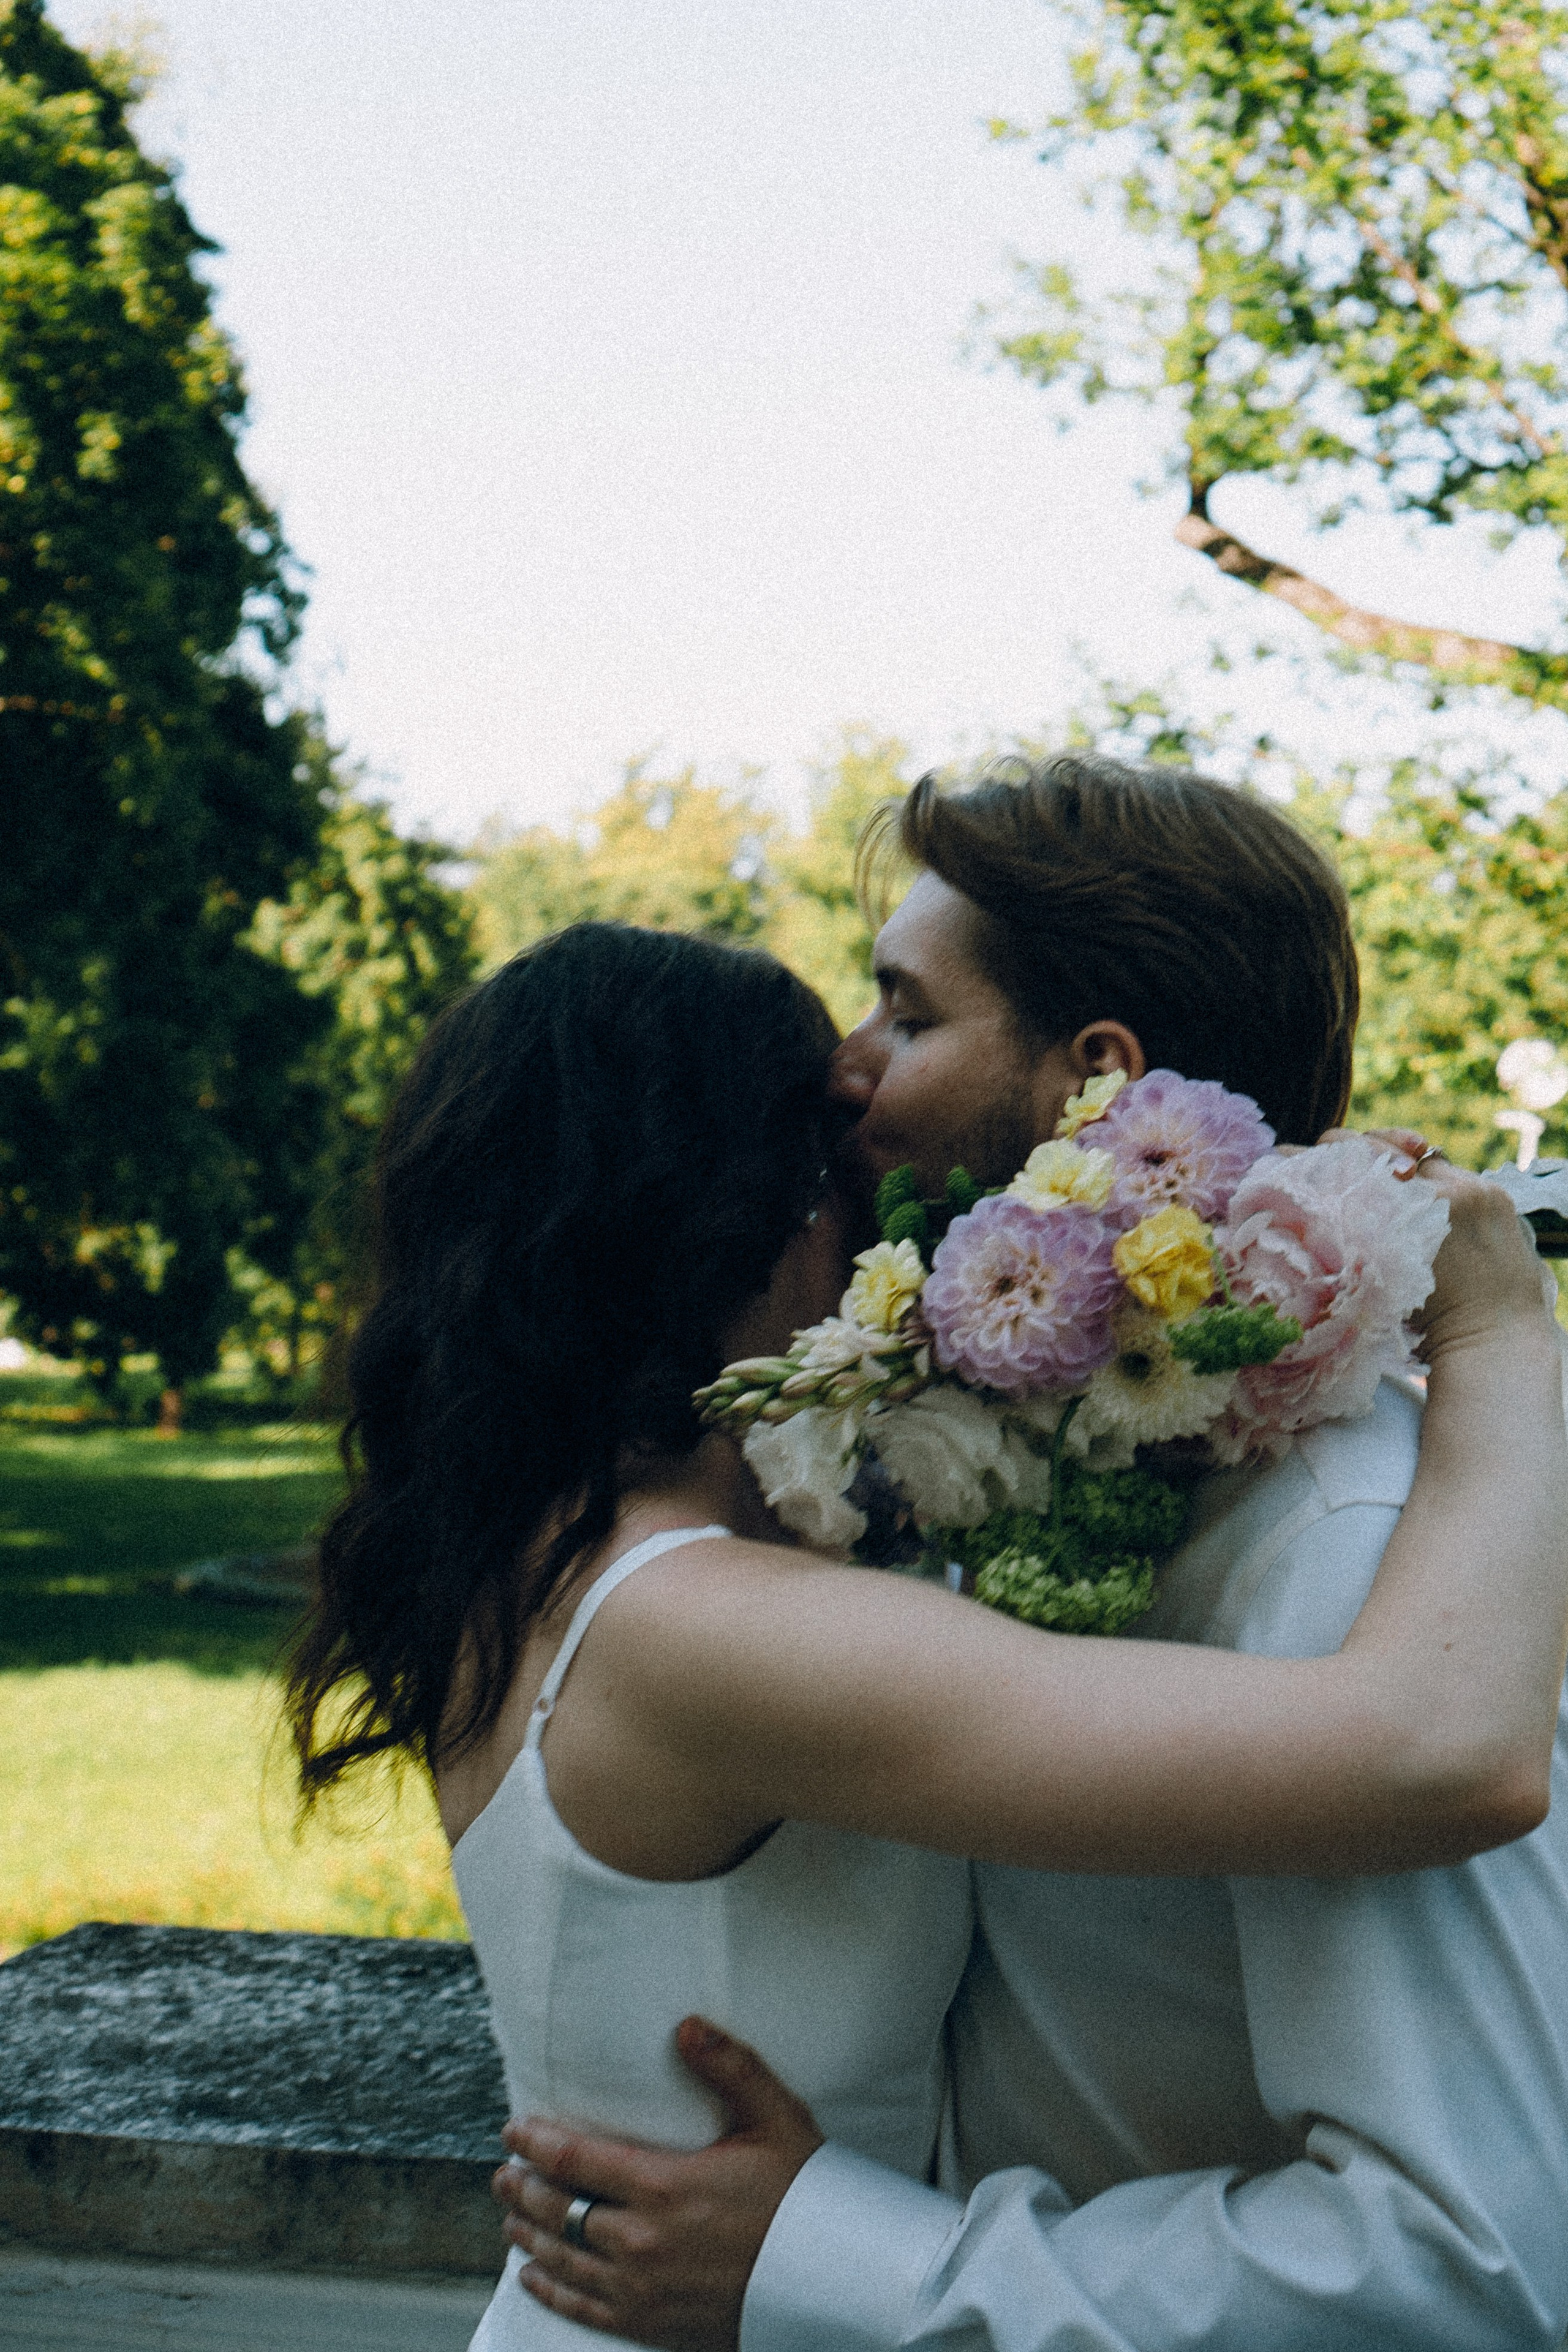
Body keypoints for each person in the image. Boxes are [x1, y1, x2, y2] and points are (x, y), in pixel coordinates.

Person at [496, 758, 1568, 2352]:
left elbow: (1472, 2262)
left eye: (908, 1016)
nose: (842, 1071)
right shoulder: (999, 1468)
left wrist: (841, 2266)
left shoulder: (1347, 1558)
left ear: (1099, 1087)